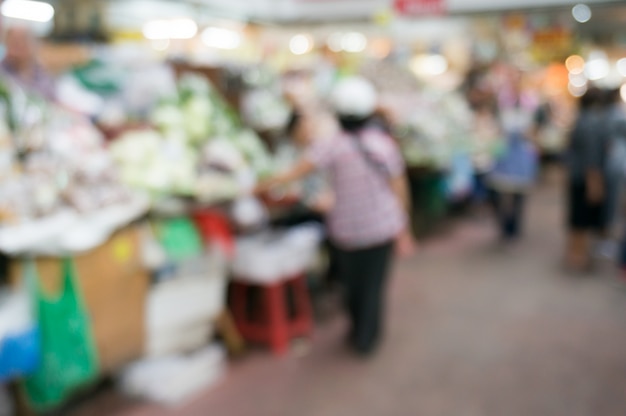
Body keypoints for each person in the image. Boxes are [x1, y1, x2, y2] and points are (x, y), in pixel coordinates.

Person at [258, 76, 415, 355]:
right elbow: (399, 187)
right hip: (379, 229)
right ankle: (367, 337)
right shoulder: (383, 145)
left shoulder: (332, 145)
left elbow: (295, 171)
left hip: (345, 232)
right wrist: (403, 226)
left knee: (352, 285)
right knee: (373, 286)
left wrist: (261, 185)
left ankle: (359, 332)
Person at [565, 87, 607, 271]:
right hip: (585, 176)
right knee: (582, 218)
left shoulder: (581, 119)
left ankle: (575, 254)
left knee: (577, 217)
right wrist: (594, 181)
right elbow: (591, 156)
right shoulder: (591, 122)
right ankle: (578, 256)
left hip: (577, 174)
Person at [1, 26, 55, 100]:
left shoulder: (41, 73)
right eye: (14, 43)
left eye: (22, 42)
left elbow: (54, 100)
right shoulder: (3, 74)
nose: (16, 50)